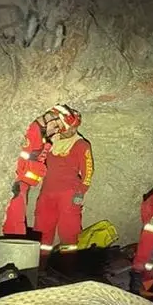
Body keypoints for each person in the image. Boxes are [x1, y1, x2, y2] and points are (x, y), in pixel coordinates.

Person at [33, 105, 92, 254]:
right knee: (42, 230)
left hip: (69, 194)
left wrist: (79, 195)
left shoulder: (81, 145)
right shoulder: (51, 141)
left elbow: (88, 172)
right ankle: (40, 264)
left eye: (74, 127)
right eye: (69, 127)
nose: (72, 131)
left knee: (69, 232)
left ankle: (68, 265)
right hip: (47, 193)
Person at [1, 108, 64, 238]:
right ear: (49, 119)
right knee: (15, 223)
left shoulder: (43, 138)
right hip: (16, 184)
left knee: (17, 221)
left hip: (23, 185)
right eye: (57, 126)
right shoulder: (32, 131)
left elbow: (38, 162)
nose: (57, 130)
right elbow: (19, 161)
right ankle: (15, 252)